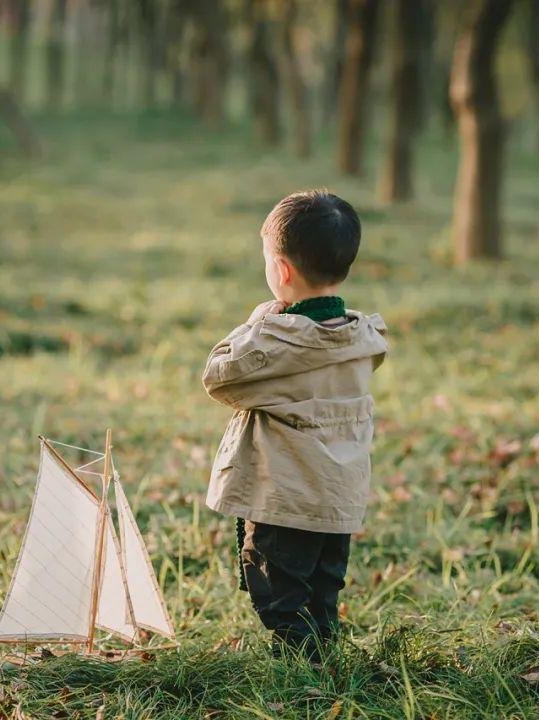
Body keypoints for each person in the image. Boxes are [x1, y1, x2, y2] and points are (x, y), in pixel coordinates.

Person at [201, 189, 388, 661]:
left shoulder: (275, 340)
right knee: (321, 594)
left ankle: (302, 671)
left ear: (281, 270)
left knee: (277, 594)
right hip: (336, 502)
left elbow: (218, 375)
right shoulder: (362, 338)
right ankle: (324, 662)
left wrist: (261, 317)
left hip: (284, 500)